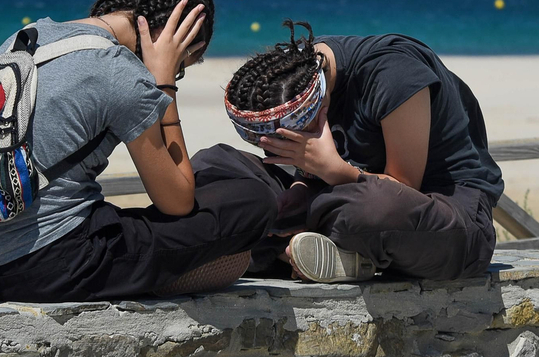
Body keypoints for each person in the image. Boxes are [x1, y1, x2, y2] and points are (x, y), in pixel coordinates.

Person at [0, 0, 277, 302]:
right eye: (184, 64)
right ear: (180, 42)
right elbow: (177, 202)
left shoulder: (30, 35)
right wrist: (164, 83)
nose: (179, 73)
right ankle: (165, 278)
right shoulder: (119, 72)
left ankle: (156, 274)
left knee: (191, 190)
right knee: (252, 200)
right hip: (42, 265)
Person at [199, 20, 503, 283]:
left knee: (373, 210)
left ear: (316, 103)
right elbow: (311, 175)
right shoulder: (296, 72)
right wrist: (300, 188)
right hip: (335, 198)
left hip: (440, 214)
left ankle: (273, 246)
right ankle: (312, 250)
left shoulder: (394, 74)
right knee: (216, 164)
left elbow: (404, 188)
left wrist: (333, 171)